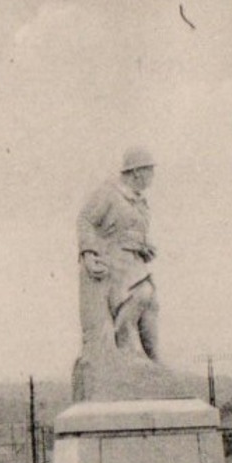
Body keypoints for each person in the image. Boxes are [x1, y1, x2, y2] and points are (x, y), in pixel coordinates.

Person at [78, 146, 161, 363]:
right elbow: (86, 220)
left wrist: (144, 246)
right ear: (136, 172)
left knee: (151, 302)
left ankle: (153, 358)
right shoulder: (109, 193)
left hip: (134, 260)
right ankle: (125, 344)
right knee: (140, 294)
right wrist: (88, 252)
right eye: (149, 171)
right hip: (113, 260)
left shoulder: (140, 202)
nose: (152, 176)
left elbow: (130, 230)